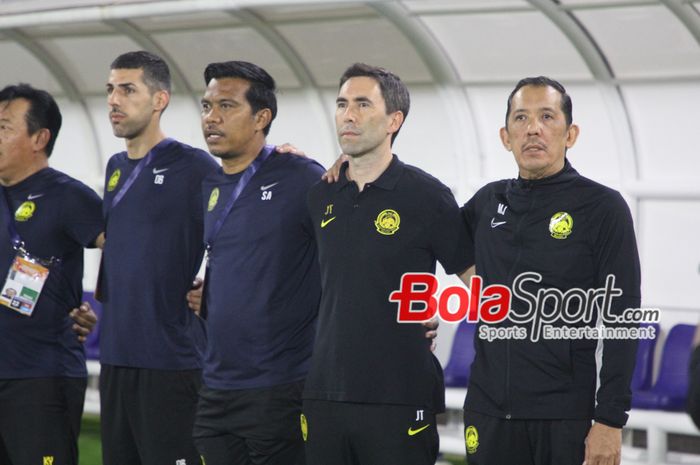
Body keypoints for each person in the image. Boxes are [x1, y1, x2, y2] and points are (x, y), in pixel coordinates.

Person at [460, 76, 641, 465]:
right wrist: (357, 166)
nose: (533, 129)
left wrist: (610, 419)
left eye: (547, 116)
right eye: (521, 118)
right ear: (506, 137)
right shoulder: (488, 202)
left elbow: (623, 319)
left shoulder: (602, 208)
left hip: (564, 417)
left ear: (570, 134)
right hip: (488, 411)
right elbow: (426, 231)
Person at [301, 63, 471, 465]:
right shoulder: (319, 196)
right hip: (324, 393)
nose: (349, 114)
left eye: (363, 103)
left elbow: (476, 278)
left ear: (394, 119)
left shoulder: (426, 196)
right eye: (342, 103)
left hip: (398, 395)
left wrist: (438, 311)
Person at [189, 60, 323, 465]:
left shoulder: (301, 176)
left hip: (280, 386)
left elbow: (349, 252)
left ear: (261, 117)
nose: (211, 117)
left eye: (226, 106)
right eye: (207, 106)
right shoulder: (211, 183)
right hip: (215, 384)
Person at [98, 51, 219, 465]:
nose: (114, 99)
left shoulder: (194, 166)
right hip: (115, 357)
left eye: (128, 89)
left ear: (159, 100)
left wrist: (217, 289)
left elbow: (243, 231)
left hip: (170, 361)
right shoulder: (114, 167)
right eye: (111, 89)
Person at [0, 84, 103, 465]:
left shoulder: (69, 196)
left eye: (5, 127)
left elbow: (127, 250)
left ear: (39, 138)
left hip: (41, 377)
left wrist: (106, 307)